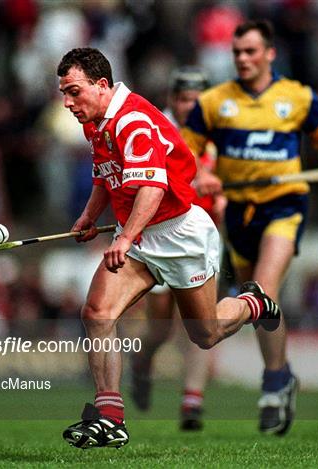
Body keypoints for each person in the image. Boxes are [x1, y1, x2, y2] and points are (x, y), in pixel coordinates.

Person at [57, 47, 281, 450]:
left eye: (74, 92)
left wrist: (125, 237)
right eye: (64, 94)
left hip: (180, 235)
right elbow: (105, 174)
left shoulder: (133, 120)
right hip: (140, 235)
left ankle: (253, 304)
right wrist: (91, 216)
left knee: (205, 333)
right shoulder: (96, 121)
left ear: (102, 85)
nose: (68, 103)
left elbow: (153, 187)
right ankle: (110, 418)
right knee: (97, 312)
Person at [181, 19, 318, 436]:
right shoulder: (214, 102)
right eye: (237, 52)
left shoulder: (297, 97)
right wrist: (202, 173)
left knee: (262, 291)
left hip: (285, 205)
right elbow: (187, 153)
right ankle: (280, 376)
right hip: (239, 212)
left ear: (269, 54)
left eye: (251, 51)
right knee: (255, 307)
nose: (242, 59)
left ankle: (273, 386)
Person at [130, 67, 224, 431]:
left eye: (198, 101)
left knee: (197, 324)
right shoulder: (157, 129)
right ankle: (141, 365)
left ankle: (192, 401)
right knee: (159, 329)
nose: (191, 107)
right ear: (173, 100)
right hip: (162, 235)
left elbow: (227, 182)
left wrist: (225, 193)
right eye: (185, 100)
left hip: (199, 237)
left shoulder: (220, 135)